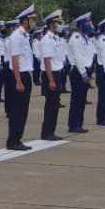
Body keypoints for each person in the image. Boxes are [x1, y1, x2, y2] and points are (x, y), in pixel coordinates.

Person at [4, 4, 36, 150]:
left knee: (23, 110)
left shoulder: (24, 35)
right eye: (32, 19)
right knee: (17, 110)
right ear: (24, 21)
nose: (34, 22)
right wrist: (18, 81)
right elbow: (15, 60)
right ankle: (13, 141)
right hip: (19, 75)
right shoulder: (16, 36)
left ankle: (17, 139)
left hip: (25, 74)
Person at [39, 10, 66, 140]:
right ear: (51, 24)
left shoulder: (56, 38)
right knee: (51, 105)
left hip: (57, 73)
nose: (60, 25)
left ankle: (51, 131)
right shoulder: (47, 40)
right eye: (58, 23)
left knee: (55, 105)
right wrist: (51, 80)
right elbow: (47, 60)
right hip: (51, 74)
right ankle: (47, 133)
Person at [66, 13, 95, 133]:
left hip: (84, 70)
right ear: (81, 25)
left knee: (82, 99)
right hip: (78, 71)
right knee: (77, 99)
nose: (90, 26)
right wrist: (84, 74)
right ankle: (74, 125)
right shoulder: (76, 38)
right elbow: (78, 58)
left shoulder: (85, 38)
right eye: (87, 24)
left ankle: (78, 123)